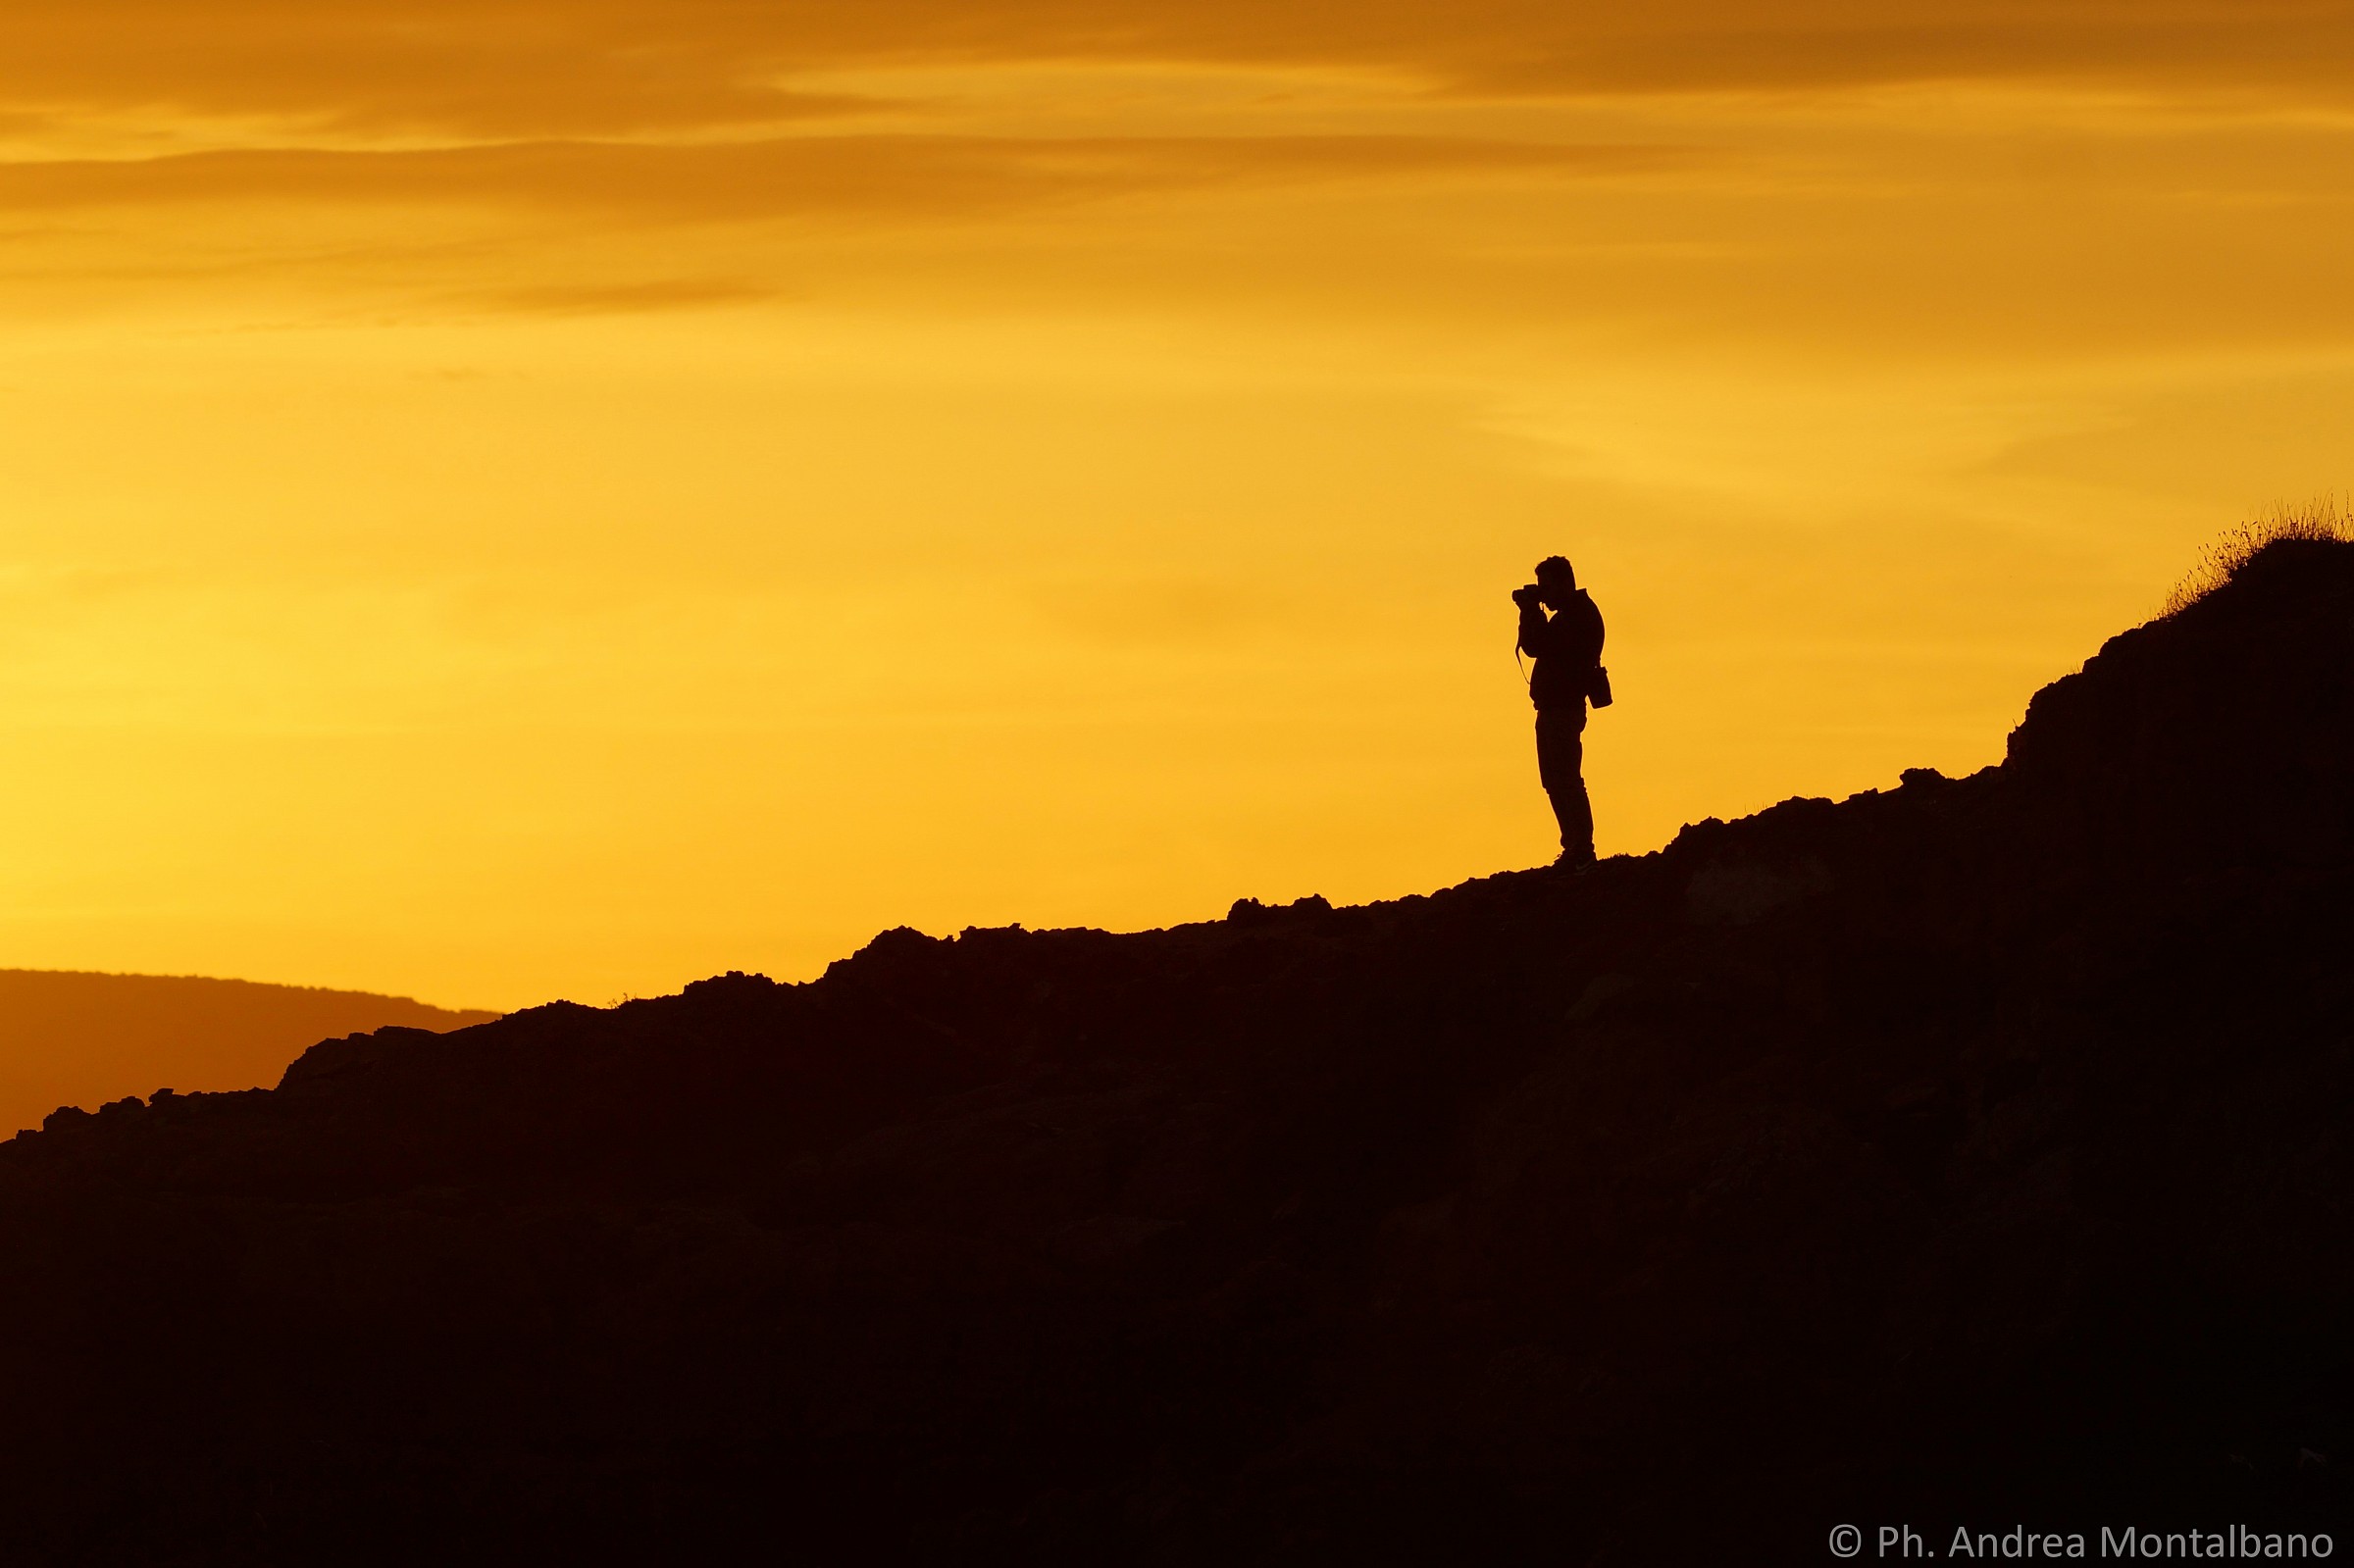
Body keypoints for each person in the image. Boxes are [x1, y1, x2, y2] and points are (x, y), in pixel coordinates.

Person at [1513, 555, 1606, 869]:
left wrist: (1529, 611)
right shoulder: (1570, 614)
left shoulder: (1577, 616)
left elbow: (1538, 646)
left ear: (1566, 583)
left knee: (1565, 779)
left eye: (1547, 586)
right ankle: (1575, 847)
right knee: (1555, 780)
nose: (1544, 594)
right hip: (1554, 708)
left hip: (1563, 708)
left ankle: (1580, 849)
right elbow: (1538, 646)